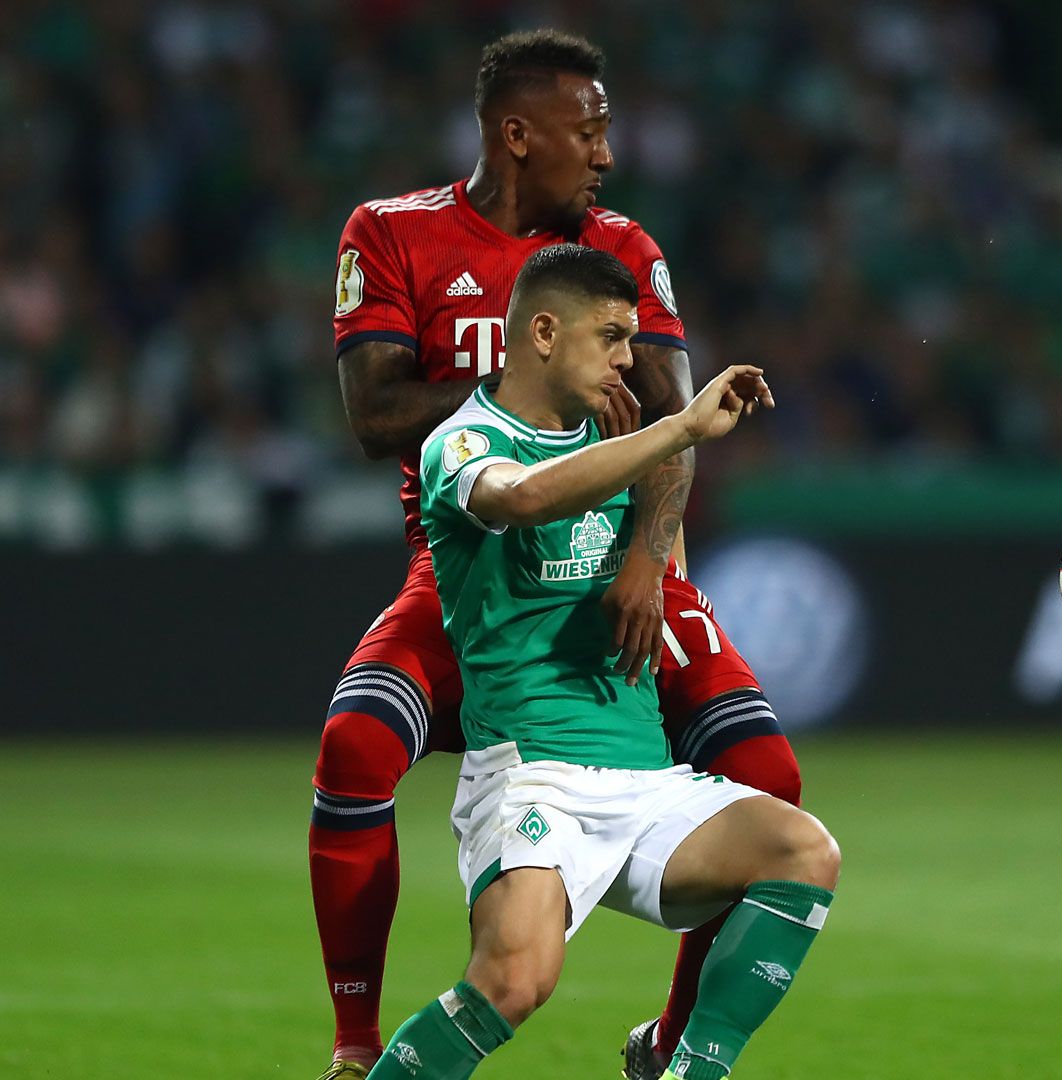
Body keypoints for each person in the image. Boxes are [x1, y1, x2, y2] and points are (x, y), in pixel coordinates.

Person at [314, 29, 804, 1080]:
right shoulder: (393, 233)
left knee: (769, 775)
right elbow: (375, 413)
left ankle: (671, 1047)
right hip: (469, 571)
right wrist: (538, 405)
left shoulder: (620, 249)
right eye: (589, 131)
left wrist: (649, 556)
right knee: (357, 745)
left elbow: (671, 419)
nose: (607, 155)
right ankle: (359, 1046)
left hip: (627, 550)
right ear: (516, 134)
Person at [358, 243, 837, 1080]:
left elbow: (665, 484)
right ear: (544, 332)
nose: (627, 358)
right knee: (512, 983)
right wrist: (677, 429)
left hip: (643, 780)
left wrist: (650, 551)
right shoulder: (462, 443)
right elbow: (524, 498)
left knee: (802, 851)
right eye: (611, 336)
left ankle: (688, 1070)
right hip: (530, 776)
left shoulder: (613, 430)